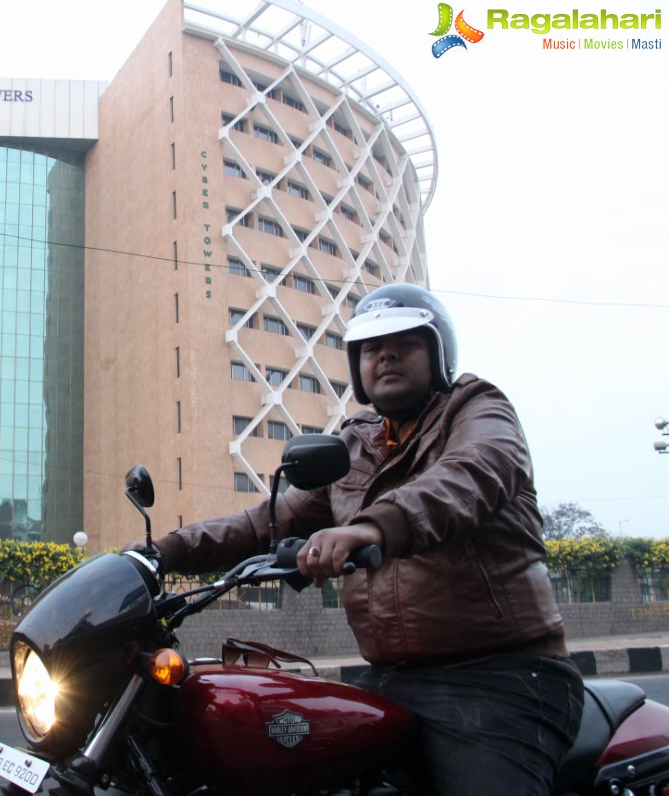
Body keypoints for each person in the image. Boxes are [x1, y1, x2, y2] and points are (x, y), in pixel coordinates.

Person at [145, 283, 583, 796]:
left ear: (438, 352)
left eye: (405, 343)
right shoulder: (354, 443)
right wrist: (156, 552)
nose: (386, 355)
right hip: (392, 677)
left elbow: (468, 477)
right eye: (372, 348)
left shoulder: (477, 409)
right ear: (357, 367)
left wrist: (371, 527)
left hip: (501, 678)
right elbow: (266, 521)